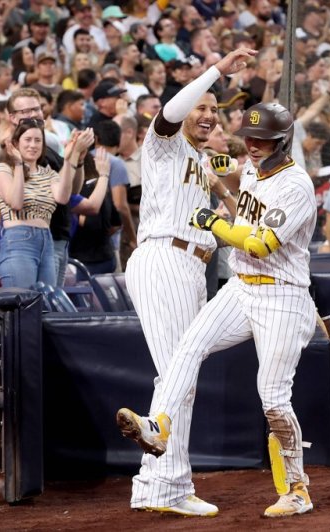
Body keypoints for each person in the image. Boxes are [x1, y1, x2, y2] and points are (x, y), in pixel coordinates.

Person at [117, 100, 318, 518]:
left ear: (283, 141)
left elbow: (260, 242)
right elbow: (237, 200)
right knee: (187, 349)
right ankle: (159, 425)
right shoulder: (247, 168)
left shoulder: (295, 184)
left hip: (282, 295)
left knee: (273, 399)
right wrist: (218, 184)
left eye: (263, 140)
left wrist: (213, 222)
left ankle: (297, 488)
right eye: (249, 137)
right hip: (241, 287)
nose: (254, 145)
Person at [111, 48, 254, 518]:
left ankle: (163, 484)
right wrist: (216, 70)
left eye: (215, 109)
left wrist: (231, 184)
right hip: (163, 257)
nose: (210, 115)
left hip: (194, 264)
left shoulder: (198, 157)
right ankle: (162, 484)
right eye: (203, 107)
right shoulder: (164, 142)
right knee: (178, 371)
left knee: (180, 375)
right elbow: (170, 112)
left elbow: (227, 206)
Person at [0, 118, 93, 288]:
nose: (33, 145)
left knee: (47, 305)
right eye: (28, 140)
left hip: (47, 241)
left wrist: (71, 159)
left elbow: (62, 197)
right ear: (16, 143)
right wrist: (18, 164)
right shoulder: (4, 169)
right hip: (18, 240)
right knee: (24, 305)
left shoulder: (48, 173)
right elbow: (16, 202)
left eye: (38, 140)